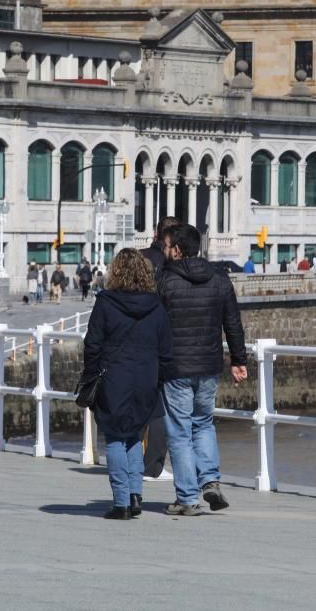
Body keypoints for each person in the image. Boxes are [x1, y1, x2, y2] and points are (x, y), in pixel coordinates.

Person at [158, 224, 248, 515]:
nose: (164, 249)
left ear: (177, 250)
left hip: (175, 367)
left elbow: (155, 326)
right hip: (208, 366)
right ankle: (210, 480)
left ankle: (187, 498)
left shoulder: (165, 280)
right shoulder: (219, 279)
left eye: (167, 245)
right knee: (203, 423)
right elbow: (232, 322)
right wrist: (238, 360)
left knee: (180, 431)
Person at [81, 248, 173, 519]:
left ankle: (121, 502)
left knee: (115, 438)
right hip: (146, 379)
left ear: (116, 272)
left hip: (114, 378)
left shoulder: (106, 302)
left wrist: (91, 374)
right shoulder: (156, 305)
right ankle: (135, 495)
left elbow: (92, 344)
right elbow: (166, 349)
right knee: (134, 436)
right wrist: (158, 378)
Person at [138, 216, 179, 481]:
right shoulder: (170, 266)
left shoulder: (138, 257)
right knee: (161, 407)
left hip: (135, 340)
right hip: (161, 341)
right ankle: (152, 465)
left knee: (136, 401)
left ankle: (129, 457)